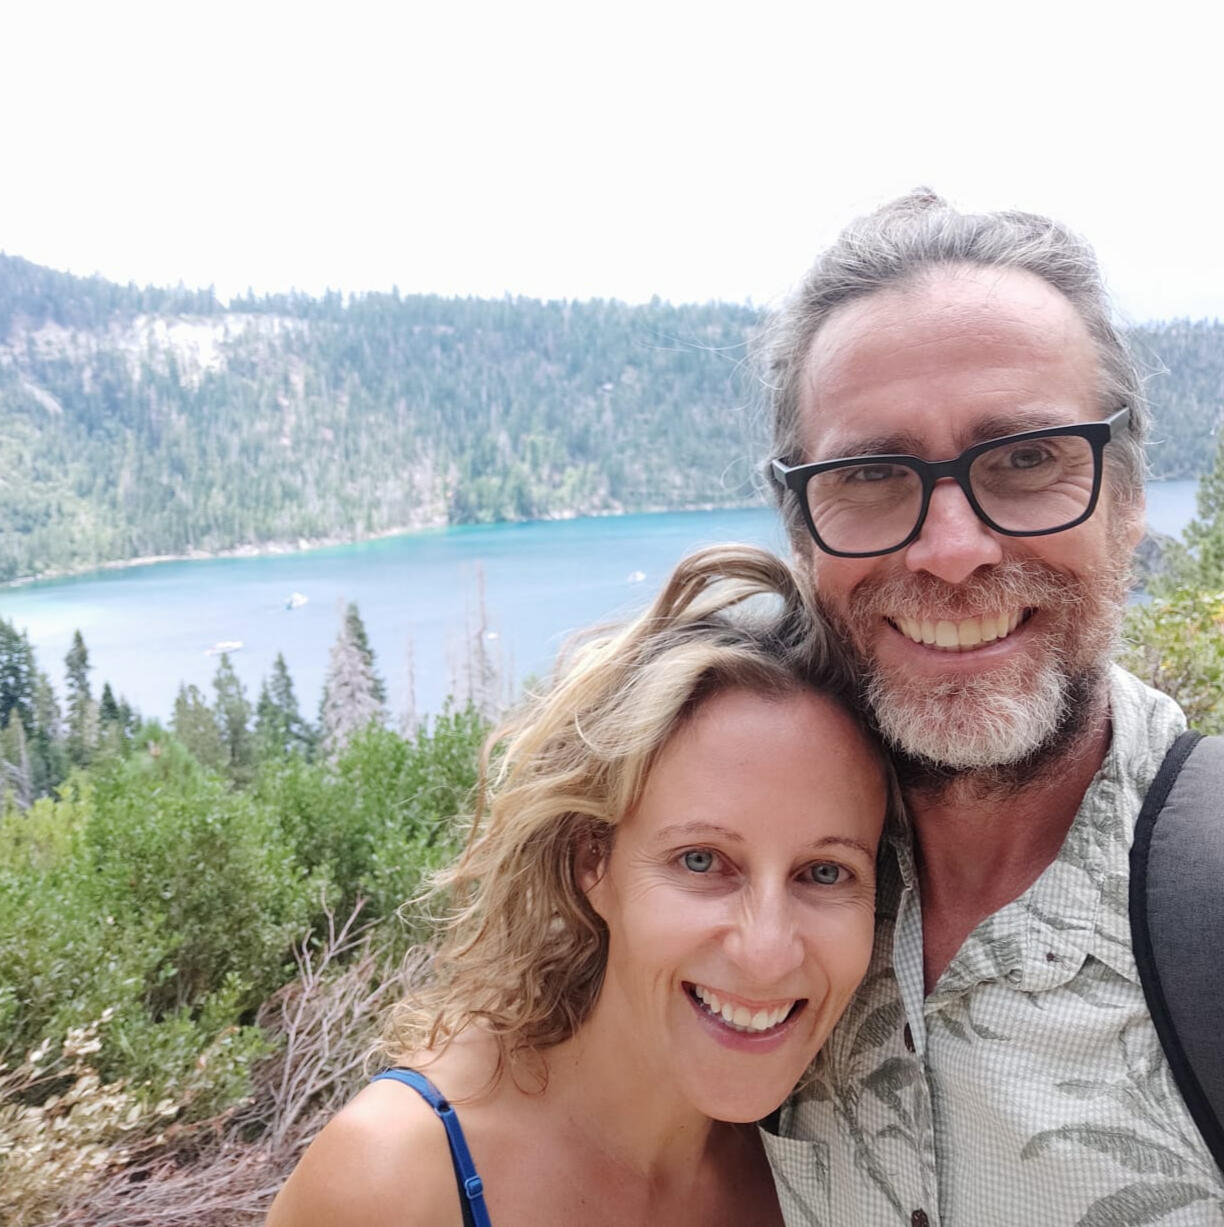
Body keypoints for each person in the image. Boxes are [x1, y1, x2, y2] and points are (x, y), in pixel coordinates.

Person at [760, 191, 1224, 1225]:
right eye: (871, 473)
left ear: (1129, 500)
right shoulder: (729, 906)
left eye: (1025, 460)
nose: (953, 550)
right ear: (800, 532)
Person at [267, 544, 895, 1227]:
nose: (766, 952)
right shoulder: (397, 1177)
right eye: (701, 861)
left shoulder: (832, 1167)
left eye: (826, 872)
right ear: (592, 859)